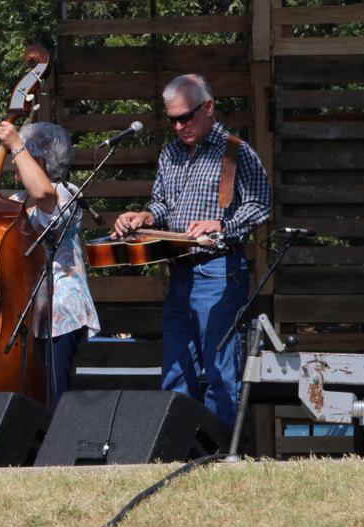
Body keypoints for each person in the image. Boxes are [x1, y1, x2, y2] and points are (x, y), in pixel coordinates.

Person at [113, 73, 271, 430]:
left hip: (218, 270)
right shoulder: (169, 154)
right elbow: (162, 205)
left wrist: (223, 225)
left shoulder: (235, 151)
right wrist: (144, 215)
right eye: (173, 119)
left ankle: (218, 456)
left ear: (209, 108)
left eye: (186, 117)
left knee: (219, 367)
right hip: (179, 270)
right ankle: (176, 450)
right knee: (175, 365)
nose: (179, 125)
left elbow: (262, 203)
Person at [0, 121, 100, 407]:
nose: (16, 162)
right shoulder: (15, 200)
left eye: (23, 154)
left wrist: (16, 143)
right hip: (23, 313)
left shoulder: (65, 193)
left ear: (40, 158)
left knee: (51, 395)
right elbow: (4, 252)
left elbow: (44, 196)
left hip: (58, 314)